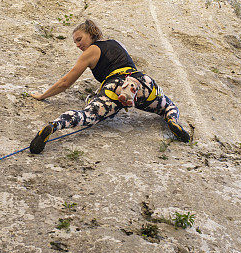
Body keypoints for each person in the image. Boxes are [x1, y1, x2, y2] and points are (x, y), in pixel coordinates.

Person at [29, 19, 192, 154]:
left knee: (88, 116)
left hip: (113, 87)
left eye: (79, 39)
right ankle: (171, 119)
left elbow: (66, 82)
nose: (77, 45)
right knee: (168, 106)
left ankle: (55, 125)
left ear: (91, 33)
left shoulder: (91, 51)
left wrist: (43, 95)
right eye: (75, 42)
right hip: (144, 81)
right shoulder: (117, 43)